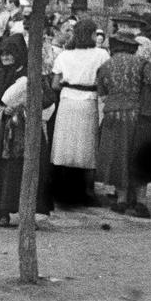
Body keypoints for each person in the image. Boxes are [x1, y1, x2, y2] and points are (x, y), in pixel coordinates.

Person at [0, 34, 54, 227]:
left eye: (10, 53)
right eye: (3, 54)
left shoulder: (32, 74)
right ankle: (3, 212)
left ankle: (29, 214)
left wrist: (26, 105)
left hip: (26, 130)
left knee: (26, 170)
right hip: (2, 134)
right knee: (3, 172)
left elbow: (48, 97)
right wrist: (1, 110)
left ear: (19, 54)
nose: (6, 57)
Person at [96, 31, 151, 219]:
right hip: (137, 117)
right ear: (133, 47)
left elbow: (102, 96)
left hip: (112, 116)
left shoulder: (104, 67)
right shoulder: (143, 64)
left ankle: (121, 200)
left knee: (118, 156)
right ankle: (141, 202)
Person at [49, 16, 109, 205]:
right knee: (88, 145)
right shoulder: (101, 55)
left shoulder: (64, 55)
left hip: (67, 100)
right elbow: (104, 80)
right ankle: (87, 191)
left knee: (64, 144)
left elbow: (55, 84)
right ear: (92, 34)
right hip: (88, 101)